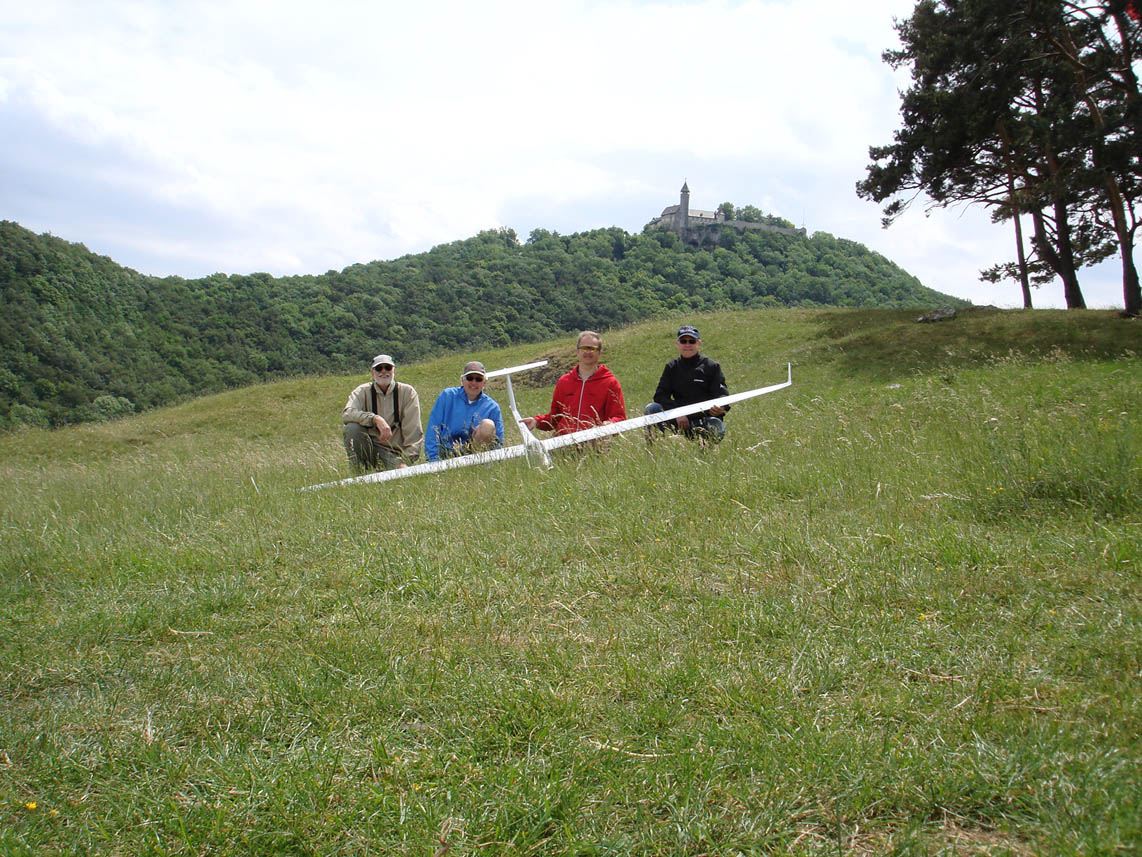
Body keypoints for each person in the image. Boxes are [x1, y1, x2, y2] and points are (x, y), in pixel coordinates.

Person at [522, 330, 626, 436]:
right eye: (584, 348)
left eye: (593, 349)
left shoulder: (610, 383)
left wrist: (611, 424)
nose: (588, 352)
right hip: (562, 443)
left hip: (595, 445)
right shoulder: (564, 381)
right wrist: (536, 421)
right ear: (577, 352)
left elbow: (619, 417)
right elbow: (555, 417)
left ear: (599, 353)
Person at [644, 324, 729, 442]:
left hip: (705, 419)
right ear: (677, 344)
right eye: (683, 341)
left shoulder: (712, 366)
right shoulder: (671, 367)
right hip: (679, 419)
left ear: (698, 343)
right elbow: (660, 396)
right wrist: (678, 413)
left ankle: (708, 452)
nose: (687, 345)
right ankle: (653, 449)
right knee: (651, 408)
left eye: (692, 341)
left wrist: (721, 407)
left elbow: (722, 395)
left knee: (716, 424)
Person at [342, 353, 424, 471]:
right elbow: (347, 414)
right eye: (379, 368)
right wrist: (374, 419)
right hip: (368, 447)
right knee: (352, 428)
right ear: (372, 372)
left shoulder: (407, 392)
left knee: (400, 471)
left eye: (388, 368)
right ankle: (359, 472)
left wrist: (406, 462)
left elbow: (414, 432)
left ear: (394, 370)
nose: (383, 371)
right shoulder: (362, 391)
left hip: (393, 454)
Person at [424, 361, 505, 461]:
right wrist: (433, 462)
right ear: (462, 380)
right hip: (446, 455)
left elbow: (499, 443)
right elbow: (433, 429)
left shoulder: (492, 407)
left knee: (488, 425)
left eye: (478, 379)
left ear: (484, 382)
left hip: (477, 457)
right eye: (469, 378)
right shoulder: (446, 396)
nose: (474, 382)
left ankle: (480, 465)